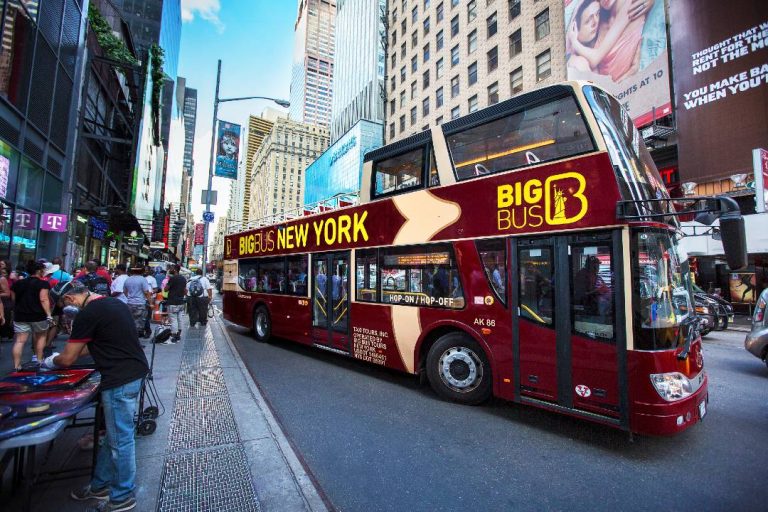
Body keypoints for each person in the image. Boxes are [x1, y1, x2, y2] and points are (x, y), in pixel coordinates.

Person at [44, 280, 149, 512]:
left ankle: (122, 497)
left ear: (69, 299)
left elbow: (69, 358)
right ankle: (100, 484)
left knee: (120, 440)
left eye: (64, 304)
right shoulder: (115, 303)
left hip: (119, 379)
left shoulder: (87, 314)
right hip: (134, 372)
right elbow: (95, 344)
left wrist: (50, 361)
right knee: (114, 435)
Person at [11, 260, 50, 370]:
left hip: (20, 314)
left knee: (19, 341)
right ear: (39, 271)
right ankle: (39, 360)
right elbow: (44, 299)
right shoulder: (43, 283)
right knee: (41, 337)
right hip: (38, 315)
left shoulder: (18, 283)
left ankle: (17, 365)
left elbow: (14, 299)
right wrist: (49, 314)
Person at [123, 266, 153, 338]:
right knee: (139, 324)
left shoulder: (128, 279)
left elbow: (124, 291)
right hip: (140, 303)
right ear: (141, 272)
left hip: (130, 303)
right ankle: (136, 341)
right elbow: (146, 292)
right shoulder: (143, 280)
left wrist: (130, 297)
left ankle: (131, 339)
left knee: (131, 322)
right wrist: (151, 303)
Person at [164, 265, 186, 342]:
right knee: (180, 318)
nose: (170, 269)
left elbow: (166, 289)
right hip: (181, 301)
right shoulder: (183, 278)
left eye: (171, 268)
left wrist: (167, 282)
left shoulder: (172, 278)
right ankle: (179, 334)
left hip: (172, 301)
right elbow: (185, 290)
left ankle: (174, 334)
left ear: (175, 270)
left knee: (173, 319)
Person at [0, 260, 13, 341]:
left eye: (1, 264)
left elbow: (7, 293)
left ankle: (7, 334)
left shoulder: (2, 279)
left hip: (4, 303)